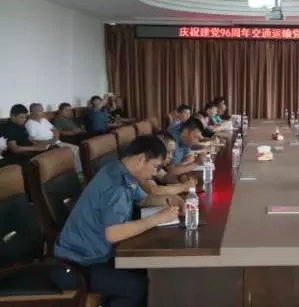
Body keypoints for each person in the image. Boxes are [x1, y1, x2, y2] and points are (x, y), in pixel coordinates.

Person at [53, 136, 184, 307]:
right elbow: (113, 234)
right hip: (80, 263)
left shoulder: (118, 170)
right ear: (141, 159)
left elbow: (143, 200)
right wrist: (157, 218)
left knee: (152, 272)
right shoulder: (116, 186)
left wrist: (170, 200)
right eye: (154, 166)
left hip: (94, 254)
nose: (154, 172)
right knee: (137, 287)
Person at [25, 103, 83, 174]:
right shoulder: (29, 124)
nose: (42, 112)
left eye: (42, 110)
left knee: (76, 149)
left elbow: (55, 130)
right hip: (47, 145)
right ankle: (75, 172)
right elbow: (33, 140)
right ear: (32, 112)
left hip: (56, 142)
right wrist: (49, 141)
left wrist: (55, 138)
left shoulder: (43, 120)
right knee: (68, 152)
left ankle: (79, 172)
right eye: (40, 110)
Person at [164, 118, 206, 183]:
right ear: (186, 132)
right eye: (195, 137)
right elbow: (171, 171)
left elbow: (189, 157)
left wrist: (180, 168)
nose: (196, 141)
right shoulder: (171, 140)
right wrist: (196, 163)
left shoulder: (184, 138)